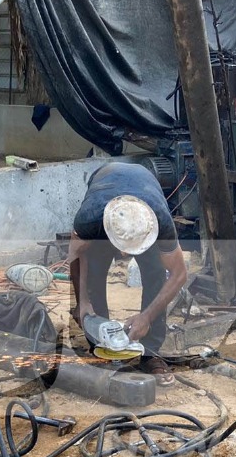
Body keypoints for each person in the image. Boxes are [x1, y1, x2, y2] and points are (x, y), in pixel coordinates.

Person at [69, 162, 187, 385]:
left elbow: (179, 274)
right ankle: (101, 347)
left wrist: (147, 317)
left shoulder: (159, 221)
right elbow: (76, 255)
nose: (124, 254)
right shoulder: (90, 217)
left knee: (155, 272)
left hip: (145, 185)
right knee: (93, 272)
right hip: (105, 186)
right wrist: (81, 301)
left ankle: (150, 353)